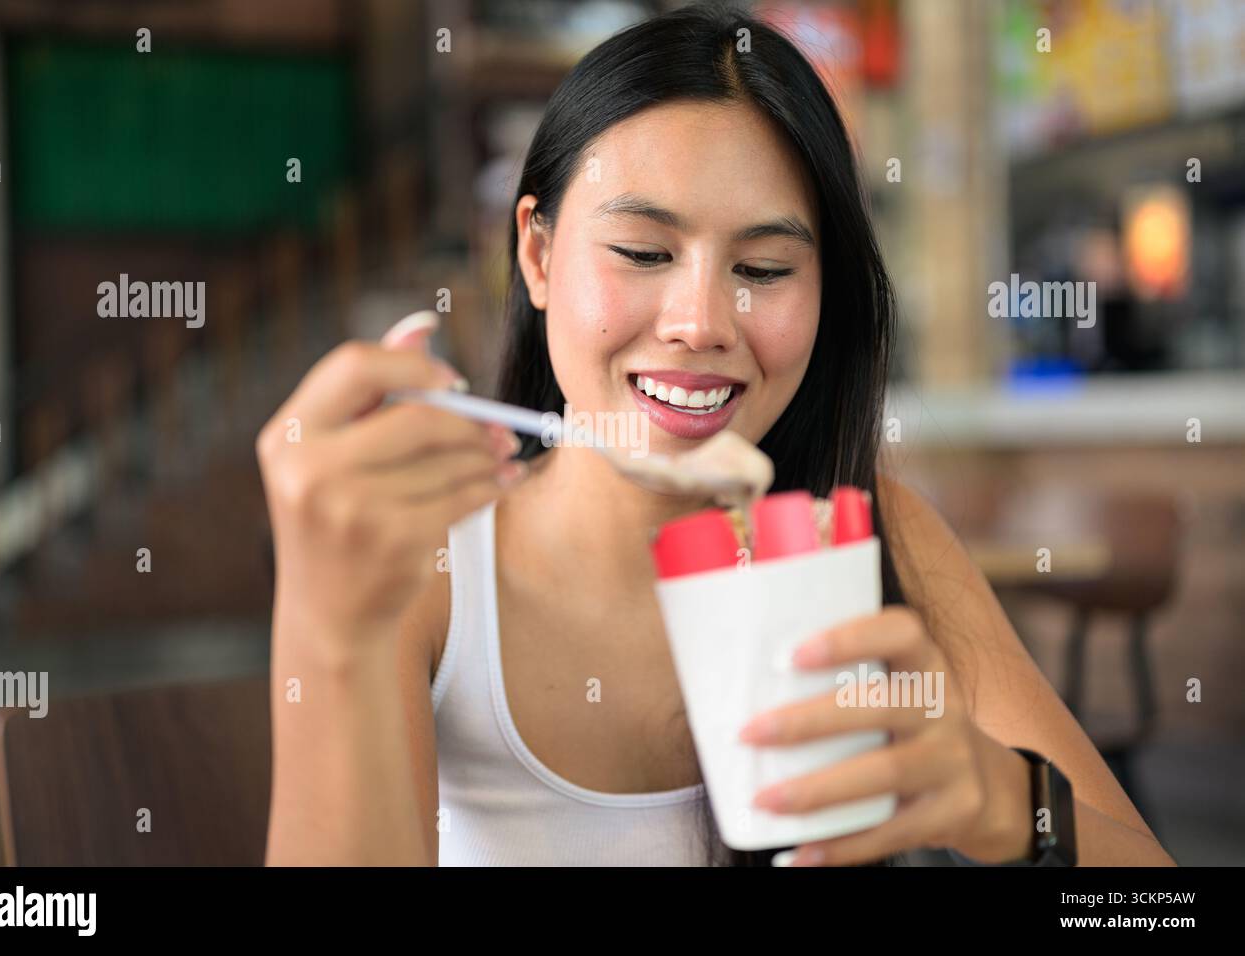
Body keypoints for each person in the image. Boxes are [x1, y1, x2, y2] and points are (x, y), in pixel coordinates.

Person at [256, 1, 1174, 867]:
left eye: (764, 268)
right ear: (537, 253)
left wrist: (1008, 805)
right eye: (644, 253)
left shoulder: (871, 542)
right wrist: (327, 629)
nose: (701, 322)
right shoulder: (422, 571)